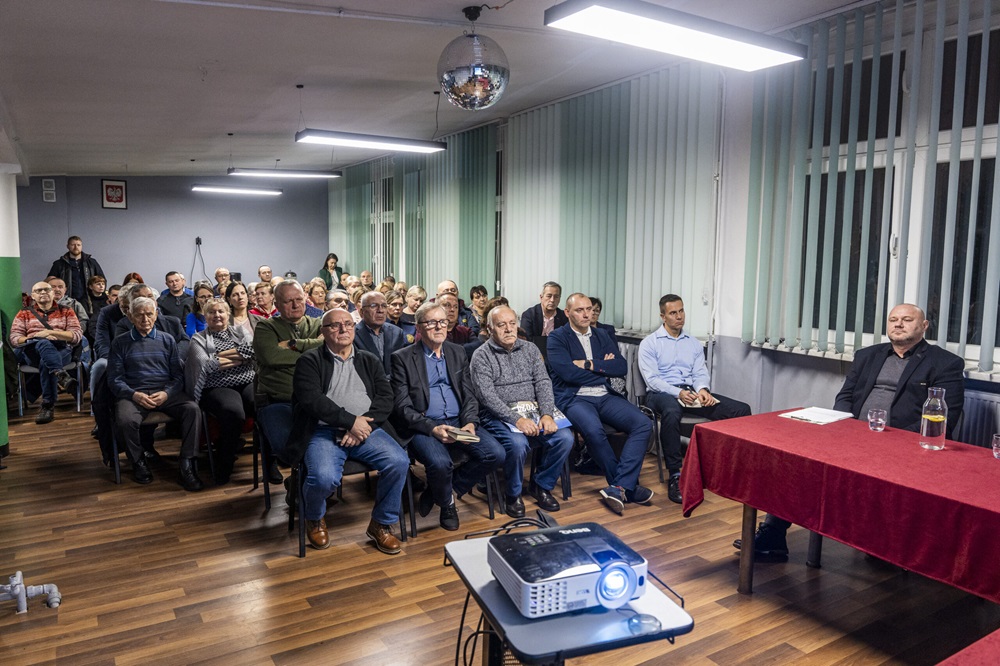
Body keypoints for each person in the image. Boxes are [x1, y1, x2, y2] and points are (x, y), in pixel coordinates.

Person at [738, 303, 966, 559]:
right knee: (795, 461)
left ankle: (879, 542)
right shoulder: (868, 355)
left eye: (907, 319)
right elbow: (845, 397)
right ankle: (773, 535)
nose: (898, 324)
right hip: (853, 437)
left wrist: (888, 438)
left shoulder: (945, 363)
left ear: (924, 326)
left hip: (902, 447)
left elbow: (943, 417)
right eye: (893, 319)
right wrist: (848, 428)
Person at [286, 308, 409, 554]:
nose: (343, 329)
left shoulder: (367, 359)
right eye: (335, 325)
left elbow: (386, 398)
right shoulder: (309, 361)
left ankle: (381, 524)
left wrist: (362, 426)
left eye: (348, 324)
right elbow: (312, 401)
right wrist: (351, 422)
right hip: (323, 431)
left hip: (366, 430)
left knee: (399, 462)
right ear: (323, 331)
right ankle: (314, 517)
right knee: (323, 478)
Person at [391, 303, 504, 531]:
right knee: (441, 463)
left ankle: (444, 490)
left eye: (442, 321)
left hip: (459, 422)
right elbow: (402, 406)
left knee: (496, 454)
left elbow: (469, 393)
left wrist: (470, 421)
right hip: (425, 425)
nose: (439, 326)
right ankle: (447, 504)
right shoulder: (402, 358)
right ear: (419, 327)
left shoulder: (457, 352)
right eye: (431, 322)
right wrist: (432, 429)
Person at [639, 294, 752, 504]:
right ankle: (675, 475)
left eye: (681, 311)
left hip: (690, 392)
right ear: (663, 316)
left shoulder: (692, 343)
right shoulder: (650, 343)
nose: (679, 316)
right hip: (660, 394)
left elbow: (700, 372)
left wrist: (703, 390)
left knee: (741, 410)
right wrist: (677, 393)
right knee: (672, 412)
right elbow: (652, 380)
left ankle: (731, 469)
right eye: (673, 313)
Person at [547, 293, 653, 514]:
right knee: (594, 431)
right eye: (579, 310)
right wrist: (602, 368)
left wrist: (587, 364)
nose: (586, 314)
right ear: (567, 313)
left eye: (589, 309)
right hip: (575, 398)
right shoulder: (557, 337)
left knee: (643, 423)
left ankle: (618, 487)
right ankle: (626, 487)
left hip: (604, 395)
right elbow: (567, 374)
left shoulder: (602, 335)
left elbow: (621, 367)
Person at [471, 305, 575, 517]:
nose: (509, 329)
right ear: (490, 329)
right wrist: (516, 420)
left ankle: (541, 485)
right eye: (501, 325)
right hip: (497, 415)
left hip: (534, 410)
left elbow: (543, 382)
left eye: (512, 323)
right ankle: (513, 494)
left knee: (565, 438)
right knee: (518, 444)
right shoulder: (481, 356)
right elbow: (486, 396)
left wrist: (546, 413)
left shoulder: (530, 349)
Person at [107, 296, 203, 490]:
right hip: (134, 394)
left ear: (156, 314)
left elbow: (177, 376)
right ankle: (138, 461)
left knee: (192, 409)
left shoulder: (167, 340)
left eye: (149, 314)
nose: (145, 319)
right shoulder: (120, 342)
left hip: (165, 392)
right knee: (126, 419)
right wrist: (134, 395)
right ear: (130, 317)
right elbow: (114, 379)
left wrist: (166, 393)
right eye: (139, 315)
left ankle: (186, 463)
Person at [252, 280, 322, 478]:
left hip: (313, 401)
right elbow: (271, 357)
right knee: (288, 449)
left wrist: (293, 344)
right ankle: (301, 485)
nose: (295, 305)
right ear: (277, 303)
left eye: (299, 299)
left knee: (323, 444)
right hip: (278, 400)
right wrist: (313, 351)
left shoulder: (317, 323)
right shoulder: (266, 327)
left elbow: (328, 351)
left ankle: (303, 487)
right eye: (288, 301)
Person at [185, 299, 255, 484]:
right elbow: (207, 365)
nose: (217, 315)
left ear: (228, 314)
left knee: (262, 404)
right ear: (205, 316)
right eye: (211, 312)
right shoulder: (198, 339)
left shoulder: (240, 331)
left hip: (248, 381)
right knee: (233, 413)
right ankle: (224, 462)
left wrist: (218, 356)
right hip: (218, 386)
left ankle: (270, 459)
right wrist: (238, 356)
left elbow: (252, 352)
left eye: (221, 312)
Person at [10, 281, 83, 424]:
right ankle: (60, 375)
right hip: (33, 352)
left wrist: (50, 332)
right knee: (43, 343)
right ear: (33, 296)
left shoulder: (67, 310)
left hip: (62, 350)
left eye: (46, 289)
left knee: (46, 362)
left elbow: (76, 335)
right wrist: (38, 336)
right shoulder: (24, 313)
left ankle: (47, 405)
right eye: (39, 291)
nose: (43, 293)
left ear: (52, 293)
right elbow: (14, 338)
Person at [353, 291, 405, 379]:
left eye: (384, 306)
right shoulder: (353, 334)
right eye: (374, 306)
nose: (380, 310)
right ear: (362, 312)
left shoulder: (397, 332)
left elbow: (400, 365)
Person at [47, 235, 105, 303]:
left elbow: (102, 279)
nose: (76, 247)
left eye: (78, 245)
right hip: (66, 300)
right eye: (73, 245)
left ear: (81, 246)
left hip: (89, 300)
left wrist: (99, 296)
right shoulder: (59, 264)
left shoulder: (91, 262)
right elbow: (50, 281)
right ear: (68, 246)